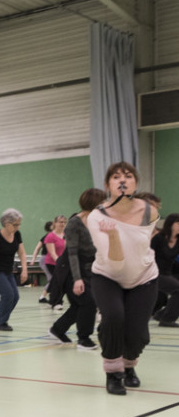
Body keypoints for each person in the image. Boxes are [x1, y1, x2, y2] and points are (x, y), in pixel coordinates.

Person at [87, 162, 159, 395]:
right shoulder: (97, 217)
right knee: (113, 318)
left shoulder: (149, 211)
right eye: (116, 176)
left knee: (137, 332)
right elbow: (114, 262)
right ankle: (113, 373)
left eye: (128, 176)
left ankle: (129, 366)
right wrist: (114, 236)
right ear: (107, 184)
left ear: (135, 183)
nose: (122, 180)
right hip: (108, 275)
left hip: (144, 276)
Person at [48, 189, 104, 350]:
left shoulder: (97, 220)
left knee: (78, 305)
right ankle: (83, 339)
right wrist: (77, 279)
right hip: (70, 269)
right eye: (101, 202)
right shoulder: (75, 223)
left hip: (88, 268)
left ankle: (57, 330)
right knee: (88, 301)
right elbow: (72, 252)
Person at [0, 209, 28, 332]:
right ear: (6, 223)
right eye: (15, 225)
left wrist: (24, 270)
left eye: (19, 224)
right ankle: (1, 322)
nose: (17, 227)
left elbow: (22, 253)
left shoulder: (17, 235)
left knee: (15, 297)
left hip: (8, 271)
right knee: (8, 295)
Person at [150, 212, 179, 328]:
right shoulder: (159, 238)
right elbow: (148, 255)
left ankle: (160, 314)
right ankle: (167, 319)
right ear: (171, 224)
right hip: (154, 272)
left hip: (167, 273)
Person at [37, 216, 67, 307]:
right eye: (60, 222)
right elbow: (52, 253)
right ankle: (57, 302)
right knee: (57, 281)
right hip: (52, 263)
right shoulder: (50, 236)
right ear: (55, 223)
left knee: (59, 282)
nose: (62, 224)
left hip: (62, 262)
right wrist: (60, 263)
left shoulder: (66, 235)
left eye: (64, 222)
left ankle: (53, 300)